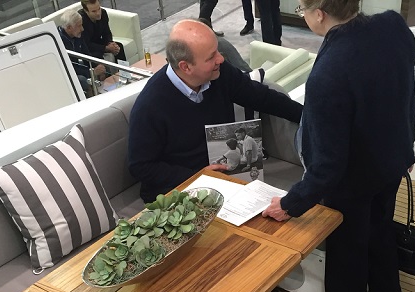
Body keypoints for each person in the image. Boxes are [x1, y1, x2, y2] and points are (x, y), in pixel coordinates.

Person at [262, 0, 415, 292]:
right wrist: (409, 141)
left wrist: (290, 204)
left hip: (352, 181)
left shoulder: (329, 73)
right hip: (391, 162)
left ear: (320, 13)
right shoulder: (394, 27)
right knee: (380, 234)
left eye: (303, 9)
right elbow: (406, 93)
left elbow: (328, 165)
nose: (303, 16)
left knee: (347, 250)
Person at [127, 18, 302, 203]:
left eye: (217, 51)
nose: (221, 59)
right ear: (185, 67)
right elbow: (141, 167)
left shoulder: (220, 73)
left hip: (222, 181)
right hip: (179, 192)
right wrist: (198, 176)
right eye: (211, 57)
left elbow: (262, 97)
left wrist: (309, 115)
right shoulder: (150, 106)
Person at [58, 9, 107, 94]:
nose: (82, 29)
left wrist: (97, 66)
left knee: (103, 65)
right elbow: (70, 67)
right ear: (69, 28)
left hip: (77, 66)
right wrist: (92, 72)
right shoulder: (59, 41)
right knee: (82, 80)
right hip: (65, 73)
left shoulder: (76, 34)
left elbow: (86, 55)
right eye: (79, 26)